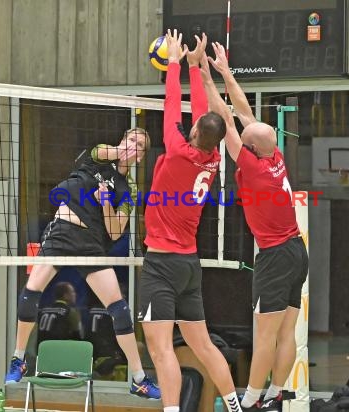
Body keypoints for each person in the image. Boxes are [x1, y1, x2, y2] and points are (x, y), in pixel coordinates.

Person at [5, 128, 160, 400]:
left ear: (141, 157)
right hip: (62, 233)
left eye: (140, 146)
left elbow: (115, 231)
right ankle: (19, 359)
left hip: (92, 244)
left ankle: (138, 379)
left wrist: (106, 205)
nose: (133, 146)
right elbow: (101, 151)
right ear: (123, 140)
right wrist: (121, 151)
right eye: (131, 139)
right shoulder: (98, 156)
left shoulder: (129, 188)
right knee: (30, 294)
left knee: (120, 309)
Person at [137, 30, 241, 412]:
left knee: (161, 348)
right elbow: (200, 116)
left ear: (194, 134)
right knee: (202, 344)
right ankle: (233, 405)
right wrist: (194, 68)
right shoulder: (214, 158)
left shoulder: (180, 153)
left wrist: (176, 66)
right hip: (189, 265)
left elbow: (170, 106)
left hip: (163, 266)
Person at [201, 42, 308, 411]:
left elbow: (226, 120)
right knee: (287, 332)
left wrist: (203, 74)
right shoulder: (274, 154)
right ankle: (276, 391)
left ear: (249, 150)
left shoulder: (255, 169)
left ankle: (250, 402)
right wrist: (226, 71)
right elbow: (245, 116)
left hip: (276, 257)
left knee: (265, 336)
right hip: (298, 252)